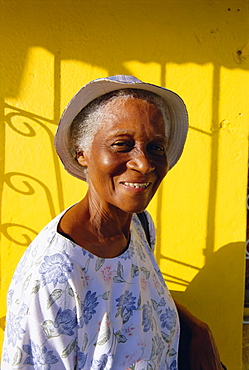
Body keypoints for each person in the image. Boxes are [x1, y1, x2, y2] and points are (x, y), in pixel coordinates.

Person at [1, 75, 224, 369]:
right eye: (122, 144)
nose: (143, 164)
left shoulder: (138, 226)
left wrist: (195, 328)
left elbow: (137, 296)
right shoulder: (55, 276)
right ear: (82, 153)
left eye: (156, 147)